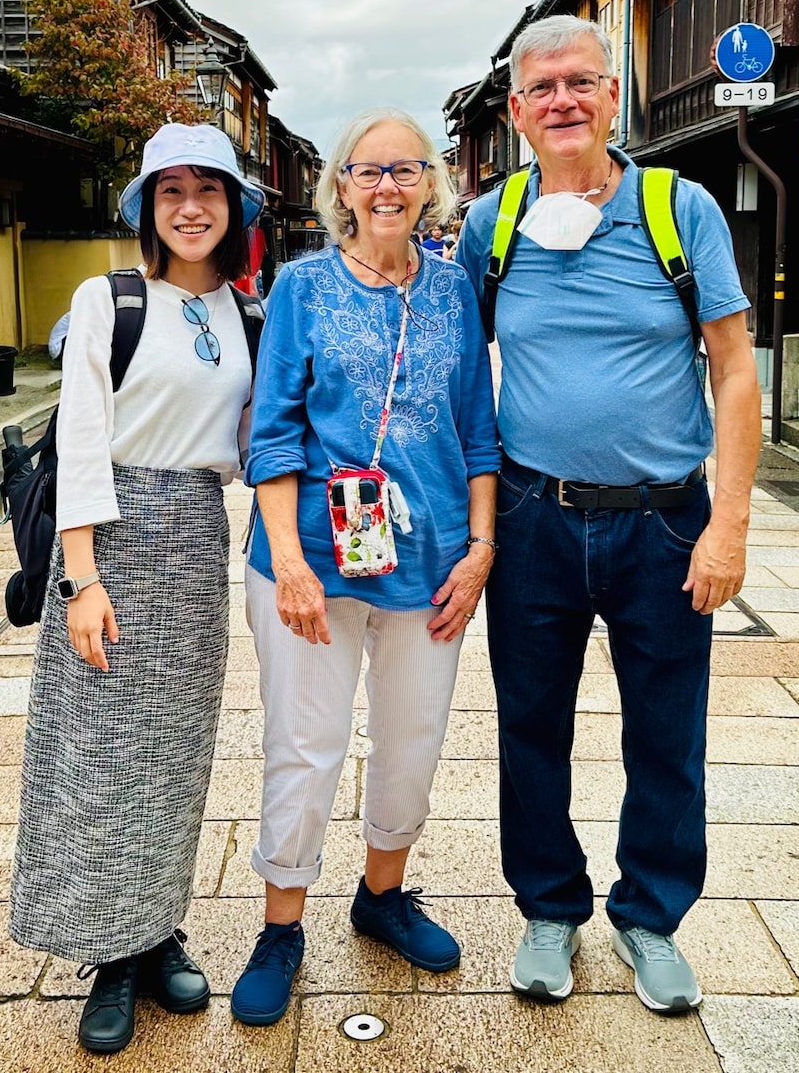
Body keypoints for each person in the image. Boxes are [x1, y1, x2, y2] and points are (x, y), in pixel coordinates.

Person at [456, 14, 759, 1016]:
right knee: (530, 725)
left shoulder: (680, 210)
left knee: (666, 733)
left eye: (580, 83)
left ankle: (651, 919)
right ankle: (549, 909)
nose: (563, 103)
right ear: (516, 112)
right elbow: (453, 373)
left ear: (612, 95)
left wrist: (730, 526)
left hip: (665, 522)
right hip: (537, 518)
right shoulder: (491, 223)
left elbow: (735, 374)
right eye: (541, 89)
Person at [230, 107, 501, 1027]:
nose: (386, 186)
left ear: (432, 185)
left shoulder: (456, 289)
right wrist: (296, 565)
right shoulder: (302, 288)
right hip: (306, 557)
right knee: (304, 743)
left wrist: (481, 550)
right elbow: (269, 435)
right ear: (339, 186)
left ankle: (383, 895)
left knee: (415, 735)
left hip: (427, 560)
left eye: (405, 169)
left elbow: (478, 431)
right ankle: (281, 924)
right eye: (366, 170)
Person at [10, 123, 265, 1055]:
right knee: (95, 756)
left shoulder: (249, 316)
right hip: (110, 534)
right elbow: (81, 438)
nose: (190, 207)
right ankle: (107, 954)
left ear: (235, 207)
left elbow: (250, 453)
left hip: (197, 536)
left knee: (173, 753)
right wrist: (82, 577)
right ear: (146, 208)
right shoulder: (107, 299)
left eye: (209, 189)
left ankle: (158, 931)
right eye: (171, 192)